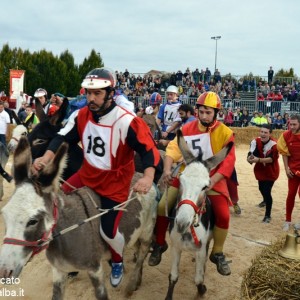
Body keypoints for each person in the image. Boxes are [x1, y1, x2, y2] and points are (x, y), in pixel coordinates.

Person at [32, 67, 163, 287]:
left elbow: (148, 149)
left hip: (115, 182)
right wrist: (46, 157)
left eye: (97, 93)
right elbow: (63, 137)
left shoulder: (126, 120)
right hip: (87, 173)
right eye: (88, 93)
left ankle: (118, 260)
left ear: (111, 93)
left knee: (109, 231)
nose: (91, 98)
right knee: (56, 201)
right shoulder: (82, 115)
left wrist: (148, 176)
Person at [148, 91, 235, 276]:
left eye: (208, 112)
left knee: (223, 215)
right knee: (163, 205)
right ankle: (159, 244)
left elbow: (228, 162)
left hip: (212, 181)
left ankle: (217, 252)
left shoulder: (225, 133)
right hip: (186, 177)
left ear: (216, 113)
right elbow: (172, 149)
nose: (204, 116)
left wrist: (213, 181)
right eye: (201, 111)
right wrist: (166, 169)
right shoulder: (186, 129)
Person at [247, 125, 279, 223]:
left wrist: (259, 160)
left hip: (271, 171)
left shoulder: (274, 144)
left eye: (265, 132)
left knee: (266, 191)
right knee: (261, 188)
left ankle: (268, 215)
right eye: (261, 132)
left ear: (270, 134)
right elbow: (250, 154)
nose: (263, 134)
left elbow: (271, 159)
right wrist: (249, 159)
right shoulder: (255, 141)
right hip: (260, 170)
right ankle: (265, 201)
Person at [277, 114, 300, 231]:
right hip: (293, 170)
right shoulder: (285, 135)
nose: (291, 126)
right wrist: (286, 169)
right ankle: (288, 220)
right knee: (291, 194)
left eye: (294, 124)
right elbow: (284, 153)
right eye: (290, 124)